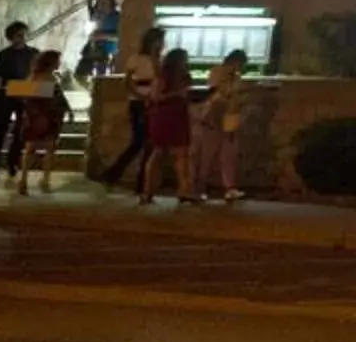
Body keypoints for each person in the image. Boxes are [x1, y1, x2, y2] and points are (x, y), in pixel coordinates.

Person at [97, 24, 165, 187]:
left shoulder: (158, 60)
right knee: (140, 140)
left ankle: (141, 180)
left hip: (153, 101)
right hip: (139, 102)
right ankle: (116, 173)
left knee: (149, 142)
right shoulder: (137, 59)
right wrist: (140, 96)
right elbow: (128, 81)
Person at [135, 47, 196, 207]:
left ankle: (184, 190)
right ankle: (148, 191)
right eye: (184, 60)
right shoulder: (163, 77)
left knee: (182, 154)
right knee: (159, 153)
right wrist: (176, 94)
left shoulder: (184, 77)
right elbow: (155, 97)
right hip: (164, 116)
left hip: (178, 116)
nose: (186, 63)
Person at [6, 49, 70, 193]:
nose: (60, 63)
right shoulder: (45, 79)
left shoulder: (37, 77)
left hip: (39, 116)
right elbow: (51, 99)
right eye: (58, 60)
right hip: (43, 116)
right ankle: (40, 181)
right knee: (44, 148)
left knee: (35, 148)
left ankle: (28, 180)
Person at [0, 20, 37, 182]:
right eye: (19, 35)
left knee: (20, 132)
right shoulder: (3, 55)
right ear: (12, 37)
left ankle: (13, 163)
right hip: (6, 91)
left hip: (25, 92)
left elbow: (38, 76)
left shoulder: (33, 54)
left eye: (25, 34)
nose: (23, 37)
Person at [196, 49, 252, 203]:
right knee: (208, 154)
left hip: (230, 117)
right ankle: (200, 188)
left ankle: (229, 187)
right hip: (215, 117)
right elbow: (216, 93)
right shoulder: (217, 73)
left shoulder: (237, 78)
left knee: (229, 154)